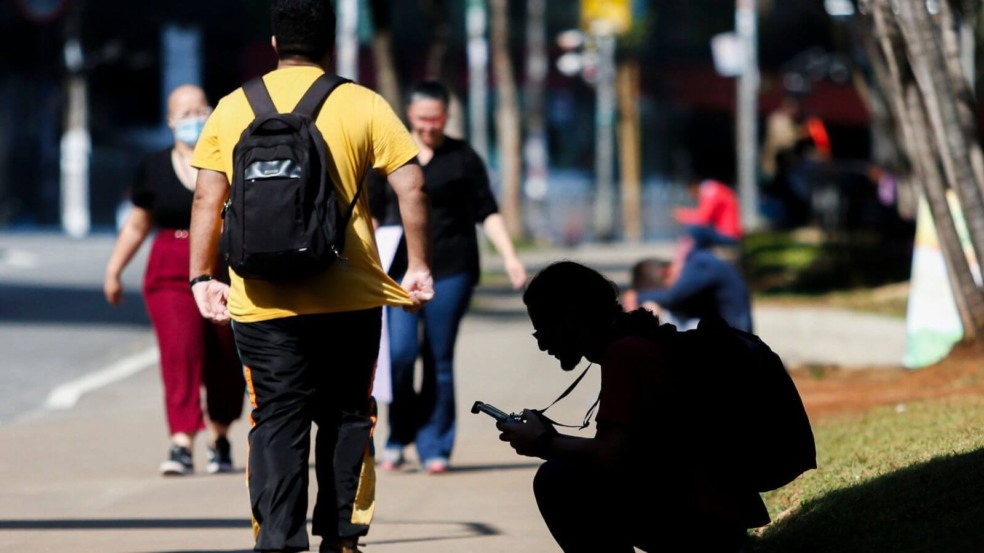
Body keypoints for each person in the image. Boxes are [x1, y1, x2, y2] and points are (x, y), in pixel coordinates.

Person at [187, 1, 434, 552]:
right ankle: (343, 540)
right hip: (349, 294)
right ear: (331, 47)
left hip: (261, 299)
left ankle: (278, 539)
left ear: (276, 44)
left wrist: (202, 276)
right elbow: (412, 187)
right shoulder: (362, 103)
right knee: (349, 416)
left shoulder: (232, 108)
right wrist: (417, 265)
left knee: (275, 418)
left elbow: (207, 195)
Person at [496, 261, 770, 552]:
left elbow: (610, 453)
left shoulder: (624, 355)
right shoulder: (639, 341)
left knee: (558, 481)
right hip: (716, 515)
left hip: (702, 521)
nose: (542, 346)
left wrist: (544, 441)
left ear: (571, 317)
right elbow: (625, 450)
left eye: (544, 332)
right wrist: (551, 441)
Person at [368, 80, 526, 475]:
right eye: (422, 119)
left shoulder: (462, 158)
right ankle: (397, 436)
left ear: (447, 117)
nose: (429, 127)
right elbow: (370, 213)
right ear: (409, 116)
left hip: (452, 269)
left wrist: (509, 257)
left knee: (438, 358)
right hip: (399, 273)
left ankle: (435, 444)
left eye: (437, 119)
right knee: (400, 356)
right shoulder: (389, 152)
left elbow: (486, 211)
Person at [103, 84, 245, 477]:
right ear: (169, 122)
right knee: (180, 350)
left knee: (225, 355)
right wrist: (114, 271)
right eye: (185, 114)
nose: (193, 121)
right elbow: (137, 224)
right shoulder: (153, 166)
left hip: (223, 265)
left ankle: (220, 435)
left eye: (201, 111)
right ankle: (181, 439)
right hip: (169, 268)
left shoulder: (230, 159)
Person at [626, 239, 754, 333]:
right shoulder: (698, 264)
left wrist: (637, 297)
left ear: (666, 272)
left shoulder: (698, 264)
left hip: (736, 341)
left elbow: (672, 297)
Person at [673, 177, 743, 249]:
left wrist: (682, 215)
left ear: (694, 187)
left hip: (728, 235)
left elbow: (703, 218)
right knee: (697, 237)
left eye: (690, 192)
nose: (692, 196)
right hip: (727, 233)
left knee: (693, 230)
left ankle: (693, 258)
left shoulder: (710, 190)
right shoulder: (714, 189)